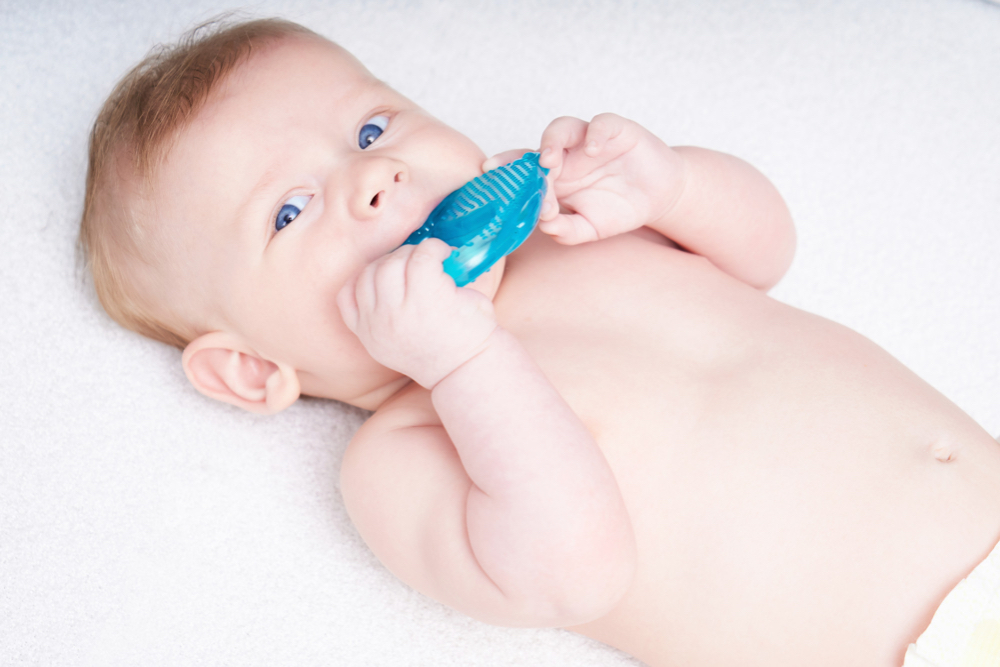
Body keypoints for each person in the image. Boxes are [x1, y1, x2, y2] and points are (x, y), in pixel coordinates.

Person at [79, 17, 1000, 667]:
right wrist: (462, 358)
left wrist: (670, 186)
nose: (372, 178)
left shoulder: (567, 229)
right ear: (251, 368)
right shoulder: (399, 454)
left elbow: (766, 253)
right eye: (289, 209)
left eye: (370, 128)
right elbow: (575, 571)